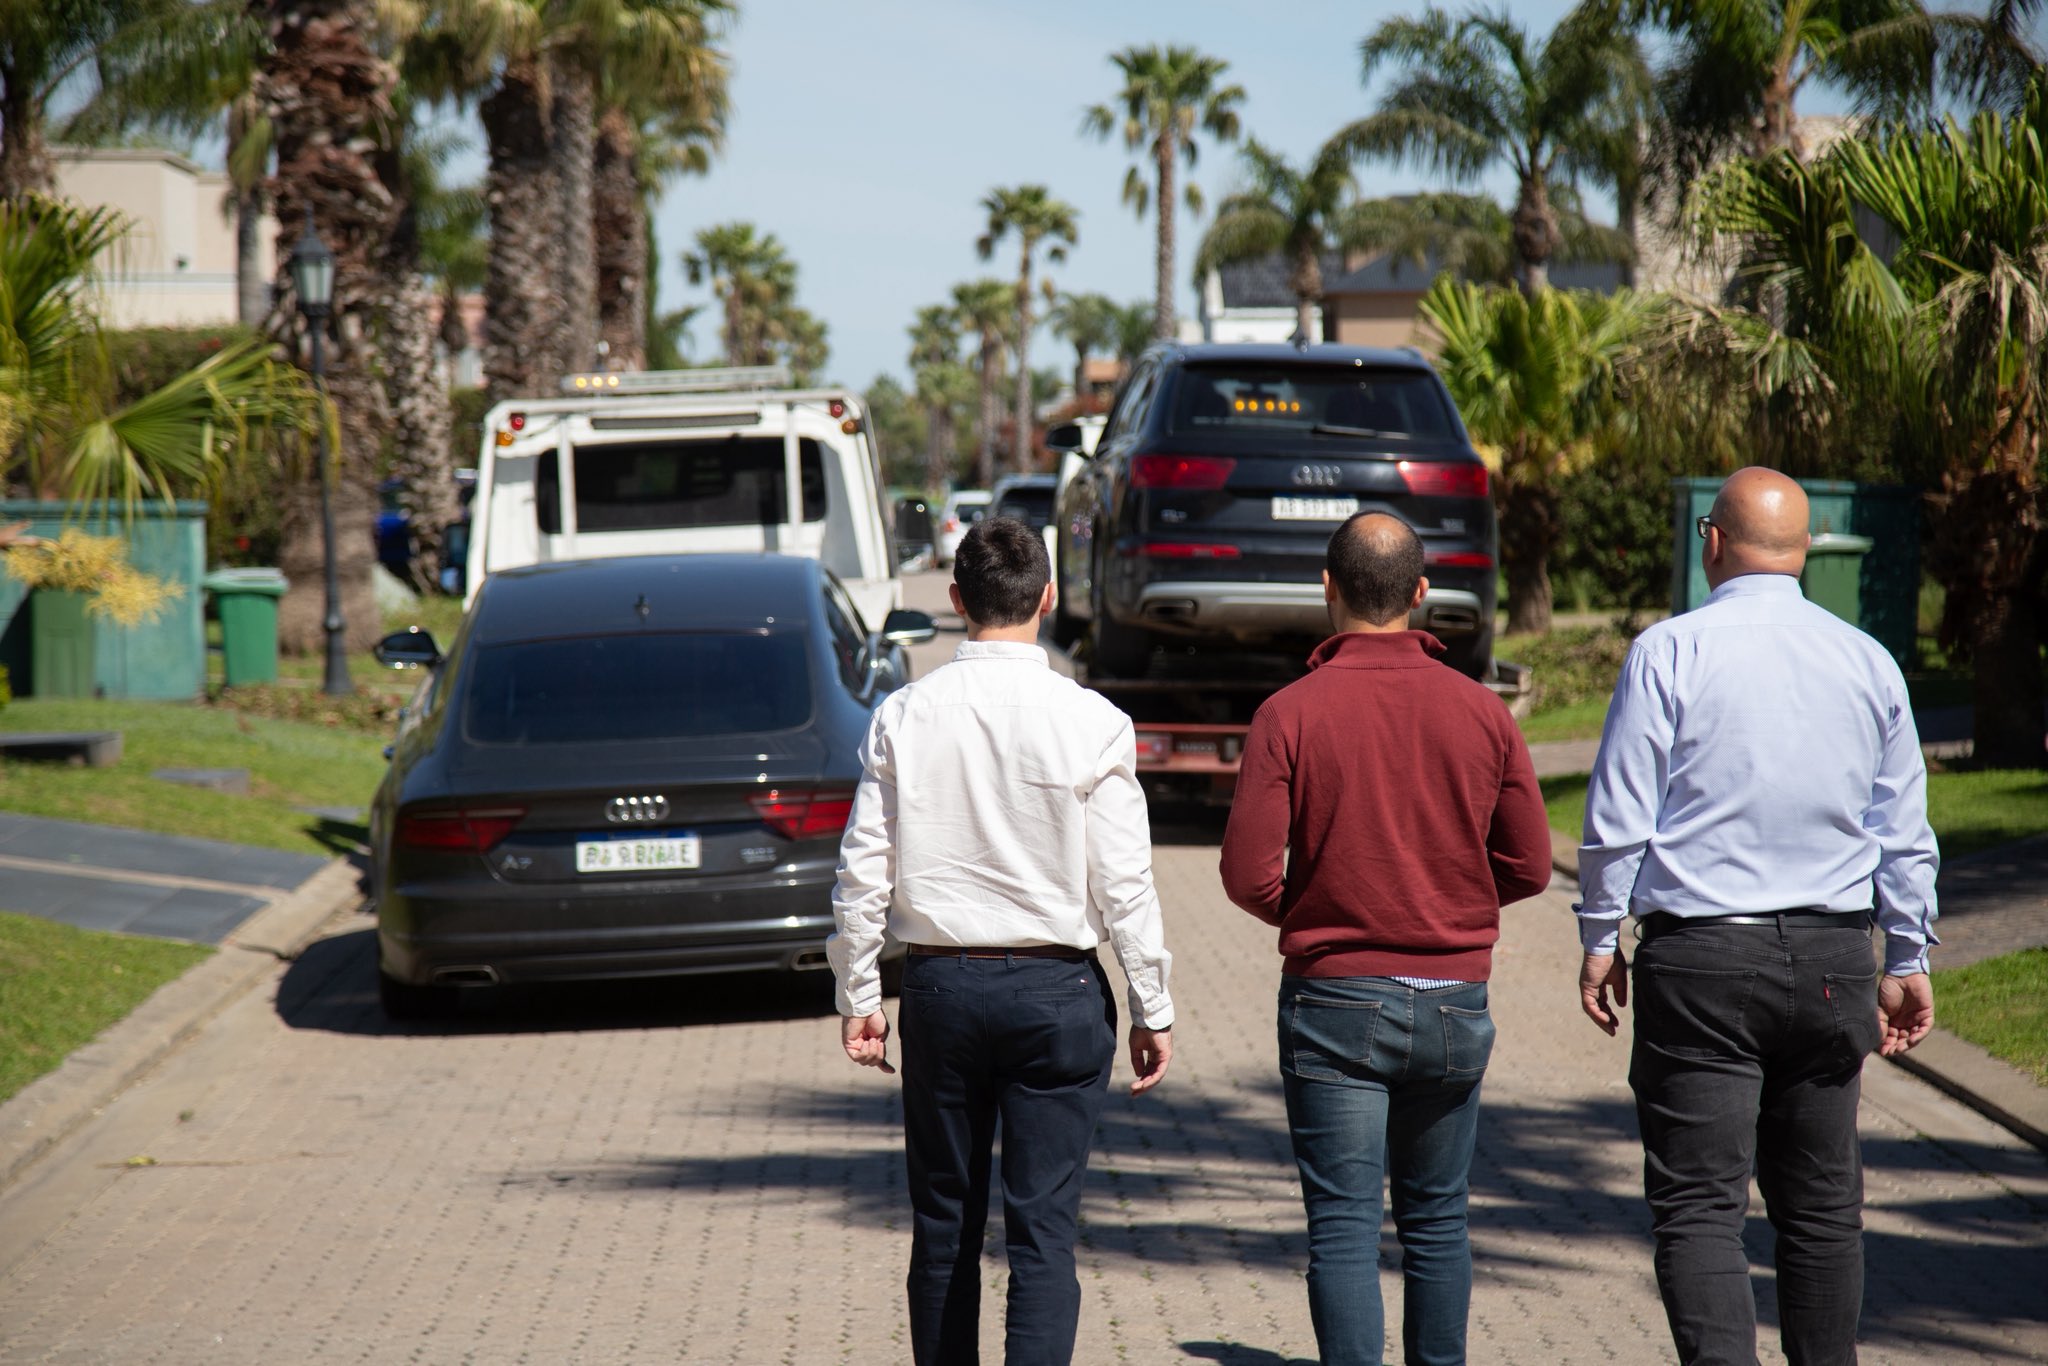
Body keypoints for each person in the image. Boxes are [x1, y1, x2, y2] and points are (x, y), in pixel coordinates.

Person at [1575, 466, 1940, 1366]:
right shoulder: (1868, 661)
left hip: (1700, 960)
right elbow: (1902, 830)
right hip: (1832, 959)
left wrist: (1599, 937)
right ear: (1805, 549)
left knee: (1700, 1209)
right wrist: (1907, 955)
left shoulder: (1668, 651)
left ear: (1711, 541)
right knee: (1822, 1211)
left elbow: (1620, 817)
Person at [828, 515, 1174, 1366]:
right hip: (1059, 995)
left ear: (956, 599)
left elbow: (863, 872)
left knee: (944, 1224)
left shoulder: (903, 715)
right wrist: (1151, 1005)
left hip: (941, 993)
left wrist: (860, 994)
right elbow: (1124, 882)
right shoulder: (1095, 721)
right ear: (1048, 597)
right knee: (1042, 1234)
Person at [1219, 511, 1552, 1366]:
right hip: (1454, 1004)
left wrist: (1320, 910)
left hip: (1334, 999)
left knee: (1343, 1226)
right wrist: (1449, 906)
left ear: (1326, 589)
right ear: (1421, 593)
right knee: (1438, 1220)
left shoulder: (1288, 713)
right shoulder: (1482, 711)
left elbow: (1247, 874)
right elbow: (1530, 865)